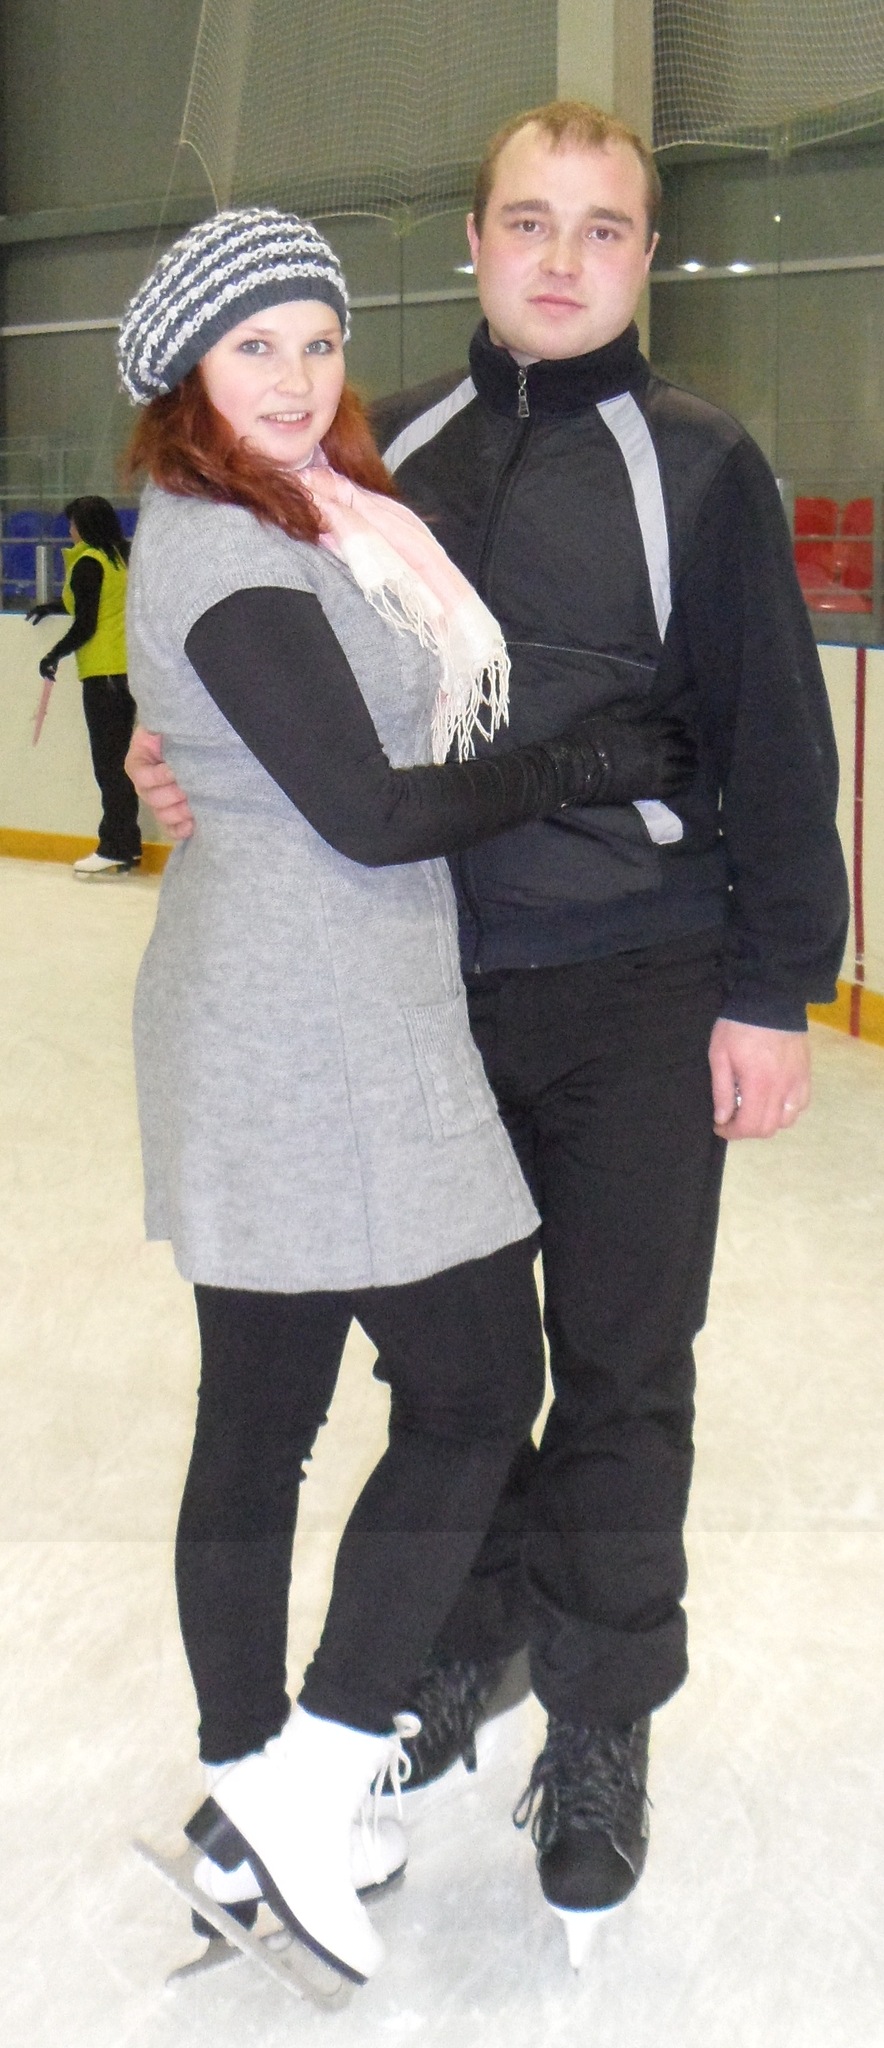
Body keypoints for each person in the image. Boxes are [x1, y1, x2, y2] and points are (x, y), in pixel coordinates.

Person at [128, 107, 850, 1967]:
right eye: (528, 222)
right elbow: (279, 672)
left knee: (617, 1370)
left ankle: (595, 1720)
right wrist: (165, 751)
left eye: (600, 230)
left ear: (643, 258)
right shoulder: (378, 456)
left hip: (634, 983)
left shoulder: (699, 463)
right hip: (420, 994)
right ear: (469, 242)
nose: (560, 259)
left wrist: (772, 986)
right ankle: (442, 1663)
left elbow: (779, 739)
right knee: (452, 1384)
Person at [27, 495, 142, 876]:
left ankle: (115, 846)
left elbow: (86, 624)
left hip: (102, 674)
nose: (70, 529)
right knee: (119, 763)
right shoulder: (119, 559)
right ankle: (128, 844)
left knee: (109, 766)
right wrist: (53, 606)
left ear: (85, 526)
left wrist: (53, 654)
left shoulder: (88, 562)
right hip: (124, 672)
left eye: (73, 522)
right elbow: (97, 604)